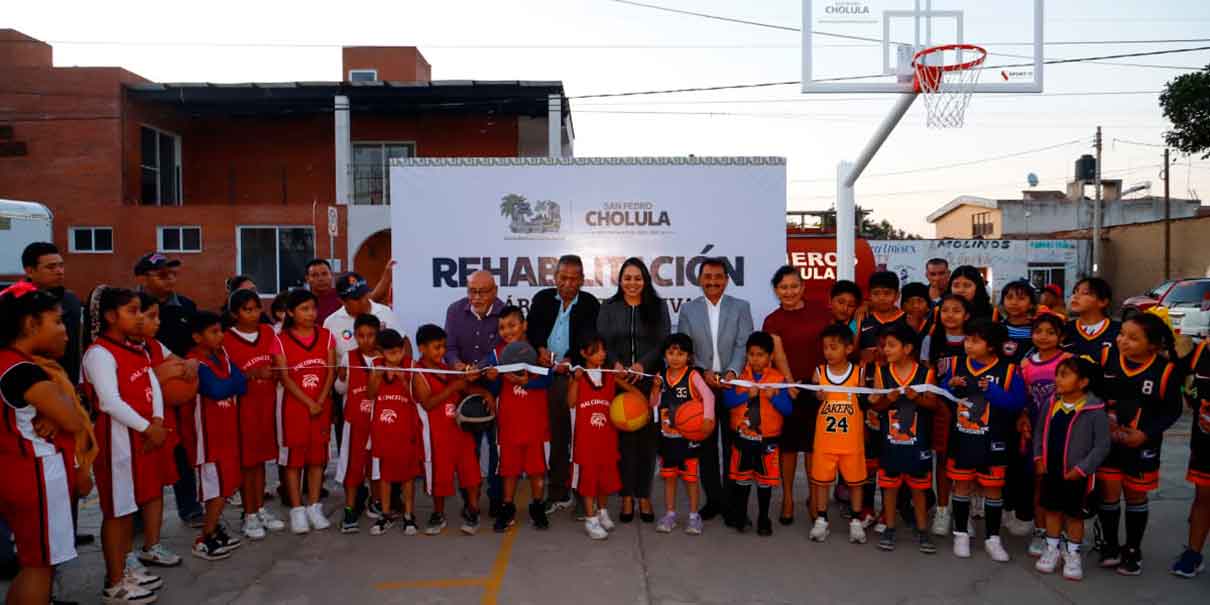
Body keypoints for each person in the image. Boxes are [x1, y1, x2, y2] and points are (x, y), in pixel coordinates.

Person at [0, 283, 85, 605]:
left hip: (14, 470)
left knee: (30, 562)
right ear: (31, 324)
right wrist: (58, 402)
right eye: (58, 321)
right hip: (36, 475)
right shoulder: (25, 372)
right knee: (41, 567)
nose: (65, 331)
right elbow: (75, 420)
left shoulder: (6, 361)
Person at [82, 286, 168, 603]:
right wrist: (148, 427)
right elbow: (108, 402)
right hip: (118, 441)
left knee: (130, 505)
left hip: (142, 437)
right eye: (131, 311)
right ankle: (114, 582)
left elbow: (153, 385)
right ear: (109, 316)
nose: (139, 317)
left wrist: (157, 421)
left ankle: (126, 568)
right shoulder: (99, 353)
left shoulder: (138, 348)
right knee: (116, 511)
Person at [1095, 311, 1183, 576]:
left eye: (1133, 338)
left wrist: (1145, 433)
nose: (1123, 341)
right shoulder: (1108, 360)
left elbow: (1172, 411)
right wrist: (1105, 422)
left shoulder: (1165, 370)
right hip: (1109, 443)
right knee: (1108, 493)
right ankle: (1109, 545)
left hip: (1142, 445)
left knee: (1135, 494)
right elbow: (1096, 396)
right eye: (1122, 335)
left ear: (1153, 345)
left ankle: (1133, 549)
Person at [939, 318, 1025, 562]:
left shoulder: (1009, 370)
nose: (968, 344)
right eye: (967, 339)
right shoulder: (956, 365)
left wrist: (994, 392)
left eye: (975, 341)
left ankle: (992, 538)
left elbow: (1017, 403)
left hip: (994, 440)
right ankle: (961, 533)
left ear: (992, 346)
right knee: (962, 486)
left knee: (993, 489)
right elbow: (942, 393)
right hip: (963, 439)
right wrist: (950, 385)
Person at [676, 257, 754, 521]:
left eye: (718, 277)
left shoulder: (741, 307)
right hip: (703, 387)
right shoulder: (688, 311)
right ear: (700, 280)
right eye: (707, 277)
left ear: (726, 280)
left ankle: (732, 502)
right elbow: (687, 349)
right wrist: (703, 372)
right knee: (706, 446)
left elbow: (743, 344)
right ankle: (714, 500)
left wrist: (731, 372)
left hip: (732, 386)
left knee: (733, 445)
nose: (712, 282)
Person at [597, 258, 671, 523]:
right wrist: (615, 363)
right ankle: (627, 496)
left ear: (645, 280)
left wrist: (643, 364)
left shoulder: (658, 306)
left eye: (637, 278)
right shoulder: (609, 307)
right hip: (617, 381)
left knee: (647, 443)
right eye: (627, 278)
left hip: (647, 381)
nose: (632, 283)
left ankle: (644, 496)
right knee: (624, 443)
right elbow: (602, 341)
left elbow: (663, 342)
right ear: (621, 281)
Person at [527, 256, 601, 516]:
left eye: (573, 278)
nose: (568, 283)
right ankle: (558, 493)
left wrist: (571, 359)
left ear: (582, 280)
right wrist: (540, 349)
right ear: (555, 277)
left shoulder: (590, 304)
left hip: (574, 377)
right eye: (563, 277)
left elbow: (589, 339)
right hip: (544, 376)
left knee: (580, 438)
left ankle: (584, 495)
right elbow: (533, 330)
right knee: (556, 437)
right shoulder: (542, 299)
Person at [134, 252, 203, 528]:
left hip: (177, 388)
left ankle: (189, 505)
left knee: (182, 448)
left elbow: (195, 344)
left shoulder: (186, 306)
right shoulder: (130, 307)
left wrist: (193, 361)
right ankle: (139, 513)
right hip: (141, 392)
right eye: (162, 275)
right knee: (145, 451)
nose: (169, 279)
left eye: (173, 274)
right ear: (143, 278)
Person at [1032, 356, 1110, 582]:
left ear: (1083, 382)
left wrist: (1083, 469)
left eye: (1064, 375)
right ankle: (1052, 548)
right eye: (1057, 374)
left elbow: (1102, 445)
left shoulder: (1094, 409)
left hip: (1077, 474)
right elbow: (1039, 433)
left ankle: (1073, 554)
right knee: (1052, 510)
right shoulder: (1051, 403)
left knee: (1074, 516)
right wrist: (1038, 457)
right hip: (1051, 470)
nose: (1058, 379)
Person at [762, 266, 829, 526]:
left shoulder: (821, 314)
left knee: (814, 448)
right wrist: (789, 383)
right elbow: (777, 354)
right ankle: (788, 498)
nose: (789, 291)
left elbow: (828, 348)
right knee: (788, 448)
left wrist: (820, 378)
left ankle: (813, 499)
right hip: (787, 390)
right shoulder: (772, 320)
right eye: (783, 287)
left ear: (802, 287)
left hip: (817, 389)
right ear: (776, 291)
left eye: (793, 286)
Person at [412, 324, 494, 536]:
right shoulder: (418, 373)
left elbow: (465, 388)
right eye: (436, 347)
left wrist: (484, 393)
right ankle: (438, 513)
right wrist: (452, 388)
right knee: (440, 478)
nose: (441, 352)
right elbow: (428, 403)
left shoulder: (447, 368)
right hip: (437, 436)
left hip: (461, 431)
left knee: (471, 473)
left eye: (443, 347)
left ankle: (473, 510)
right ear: (422, 348)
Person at [128, 294, 188, 572]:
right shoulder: (106, 352)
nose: (157, 322)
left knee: (155, 490)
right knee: (127, 496)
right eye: (150, 316)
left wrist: (186, 368)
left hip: (160, 428)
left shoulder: (154, 346)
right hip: (132, 433)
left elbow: (184, 365)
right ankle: (123, 553)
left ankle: (152, 545)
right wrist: (158, 376)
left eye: (157, 316)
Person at [868, 324, 939, 554]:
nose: (885, 350)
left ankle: (921, 529)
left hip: (918, 443)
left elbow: (933, 404)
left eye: (891, 345)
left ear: (907, 348)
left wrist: (916, 398)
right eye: (884, 345)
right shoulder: (882, 372)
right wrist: (886, 400)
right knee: (889, 487)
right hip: (890, 442)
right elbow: (876, 405)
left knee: (919, 489)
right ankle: (889, 527)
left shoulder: (926, 373)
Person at [223, 290, 286, 540]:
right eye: (246, 309)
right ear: (234, 314)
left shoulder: (269, 332)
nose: (253, 314)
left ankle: (259, 508)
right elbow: (224, 376)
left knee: (261, 463)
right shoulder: (226, 339)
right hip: (243, 408)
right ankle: (247, 514)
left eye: (256, 308)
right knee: (247, 464)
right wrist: (252, 375)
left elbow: (277, 362)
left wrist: (277, 373)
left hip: (266, 405)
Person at [481, 309, 550, 532]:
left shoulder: (539, 353)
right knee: (508, 470)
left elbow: (546, 382)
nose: (507, 331)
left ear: (524, 325)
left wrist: (526, 381)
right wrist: (490, 380)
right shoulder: (496, 354)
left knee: (536, 470)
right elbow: (494, 387)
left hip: (536, 423)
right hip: (509, 424)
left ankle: (538, 506)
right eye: (502, 327)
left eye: (512, 325)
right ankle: (507, 507)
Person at [186, 312, 247, 561]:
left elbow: (241, 383)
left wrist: (231, 382)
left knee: (227, 483)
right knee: (216, 489)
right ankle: (204, 537)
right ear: (197, 336)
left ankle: (215, 528)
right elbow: (216, 389)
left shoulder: (222, 356)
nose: (220, 335)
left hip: (227, 432)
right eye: (213, 332)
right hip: (208, 438)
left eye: (221, 330)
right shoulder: (195, 362)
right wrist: (231, 382)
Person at [444, 270, 506, 515]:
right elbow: (448, 349)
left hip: (496, 386)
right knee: (468, 449)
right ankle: (470, 500)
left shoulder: (505, 313)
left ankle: (496, 499)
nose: (476, 297)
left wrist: (492, 368)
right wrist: (458, 366)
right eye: (472, 291)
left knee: (496, 447)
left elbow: (509, 348)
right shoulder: (454, 310)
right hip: (465, 387)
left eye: (483, 292)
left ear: (495, 291)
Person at [275, 289, 337, 535]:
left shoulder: (327, 336)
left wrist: (320, 400)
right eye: (304, 309)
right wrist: (308, 403)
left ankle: (314, 505)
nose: (311, 313)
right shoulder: (280, 339)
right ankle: (297, 510)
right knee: (293, 461)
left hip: (320, 406)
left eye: (313, 308)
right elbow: (285, 377)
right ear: (291, 312)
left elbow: (330, 371)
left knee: (317, 459)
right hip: (294, 408)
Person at [568, 333, 640, 540]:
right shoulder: (578, 376)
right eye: (596, 350)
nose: (602, 354)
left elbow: (633, 392)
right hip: (585, 442)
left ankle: (602, 511)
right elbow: (570, 403)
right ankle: (590, 520)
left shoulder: (609, 376)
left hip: (607, 440)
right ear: (583, 353)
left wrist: (644, 398)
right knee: (589, 480)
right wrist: (575, 381)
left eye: (603, 350)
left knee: (605, 480)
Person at [324, 272, 404, 453]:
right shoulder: (331, 323)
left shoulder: (384, 313)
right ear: (342, 301)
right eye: (356, 298)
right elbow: (330, 363)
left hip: (385, 394)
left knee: (384, 447)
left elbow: (402, 343)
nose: (363, 300)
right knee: (351, 448)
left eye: (364, 294)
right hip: (349, 397)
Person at [722, 331, 792, 537]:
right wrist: (744, 395)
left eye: (760, 354)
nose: (755, 358)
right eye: (751, 354)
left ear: (770, 357)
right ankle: (741, 515)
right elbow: (727, 402)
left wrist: (773, 398)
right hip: (742, 439)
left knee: (764, 482)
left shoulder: (779, 380)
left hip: (768, 441)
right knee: (741, 480)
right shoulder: (739, 378)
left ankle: (764, 518)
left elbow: (787, 410)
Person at [1017, 311, 1072, 556]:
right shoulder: (1026, 364)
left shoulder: (1070, 361)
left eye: (1051, 332)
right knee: (1040, 481)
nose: (1044, 337)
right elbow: (1024, 398)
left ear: (1061, 336)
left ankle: (1065, 533)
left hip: (1066, 431)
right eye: (1038, 331)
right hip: (1038, 433)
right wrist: (1024, 417)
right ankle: (1041, 531)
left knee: (1065, 481)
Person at [808, 324, 868, 544]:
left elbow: (866, 401)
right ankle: (822, 520)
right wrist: (817, 396)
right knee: (822, 482)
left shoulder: (858, 373)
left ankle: (855, 521)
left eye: (833, 347)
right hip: (825, 440)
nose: (828, 352)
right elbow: (812, 397)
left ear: (849, 348)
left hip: (851, 441)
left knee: (855, 483)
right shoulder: (819, 372)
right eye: (825, 348)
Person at [650, 333, 715, 536]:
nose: (675, 357)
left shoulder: (692, 375)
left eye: (681, 353)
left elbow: (709, 396)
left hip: (689, 440)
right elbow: (653, 404)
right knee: (669, 478)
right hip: (667, 438)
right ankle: (670, 514)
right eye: (671, 353)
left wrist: (707, 419)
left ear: (689, 356)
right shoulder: (661, 376)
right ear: (664, 356)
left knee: (690, 479)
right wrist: (654, 389)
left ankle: (694, 516)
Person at [365, 329, 424, 537]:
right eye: (390, 352)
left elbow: (419, 397)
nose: (396, 356)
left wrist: (403, 378)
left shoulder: (410, 365)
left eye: (399, 351)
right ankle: (386, 514)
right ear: (382, 351)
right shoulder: (375, 365)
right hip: (383, 429)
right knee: (385, 474)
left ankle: (409, 515)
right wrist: (378, 377)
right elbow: (370, 394)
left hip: (406, 428)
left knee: (408, 475)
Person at [922, 294, 972, 537]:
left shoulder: (975, 340)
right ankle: (942, 510)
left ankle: (964, 509)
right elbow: (927, 375)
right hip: (942, 409)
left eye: (956, 310)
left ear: (967, 315)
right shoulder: (932, 340)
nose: (950, 315)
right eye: (945, 311)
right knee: (942, 460)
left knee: (966, 461)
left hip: (971, 409)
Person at [336, 313, 382, 534]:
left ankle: (376, 502)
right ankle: (349, 508)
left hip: (378, 422)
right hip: (355, 422)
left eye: (371, 335)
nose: (366, 340)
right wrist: (342, 378)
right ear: (355, 336)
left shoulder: (384, 358)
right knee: (353, 466)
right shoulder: (348, 357)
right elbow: (339, 390)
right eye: (361, 335)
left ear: (378, 335)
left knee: (375, 465)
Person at [1172, 340, 1210, 577]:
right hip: (1205, 445)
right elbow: (1183, 387)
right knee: (1204, 497)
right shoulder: (1197, 353)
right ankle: (1193, 554)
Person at [1062, 278, 1120, 361]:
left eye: (1085, 293)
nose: (1075, 296)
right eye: (1075, 292)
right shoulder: (1065, 329)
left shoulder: (1118, 331)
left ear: (1103, 302)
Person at [859, 270, 910, 365]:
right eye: (876, 293)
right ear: (869, 295)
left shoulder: (908, 320)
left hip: (899, 377)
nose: (881, 298)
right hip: (868, 377)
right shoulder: (859, 319)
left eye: (887, 293)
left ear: (897, 295)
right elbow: (849, 346)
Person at [998, 280, 1037, 364]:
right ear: (1003, 302)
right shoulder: (997, 327)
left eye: (1021, 298)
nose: (1014, 302)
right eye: (1009, 297)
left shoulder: (1037, 328)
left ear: (1031, 304)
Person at [304, 259, 342, 326]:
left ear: (331, 275)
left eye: (324, 274)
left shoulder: (343, 296)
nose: (320, 279)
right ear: (307, 279)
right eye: (314, 275)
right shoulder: (301, 301)